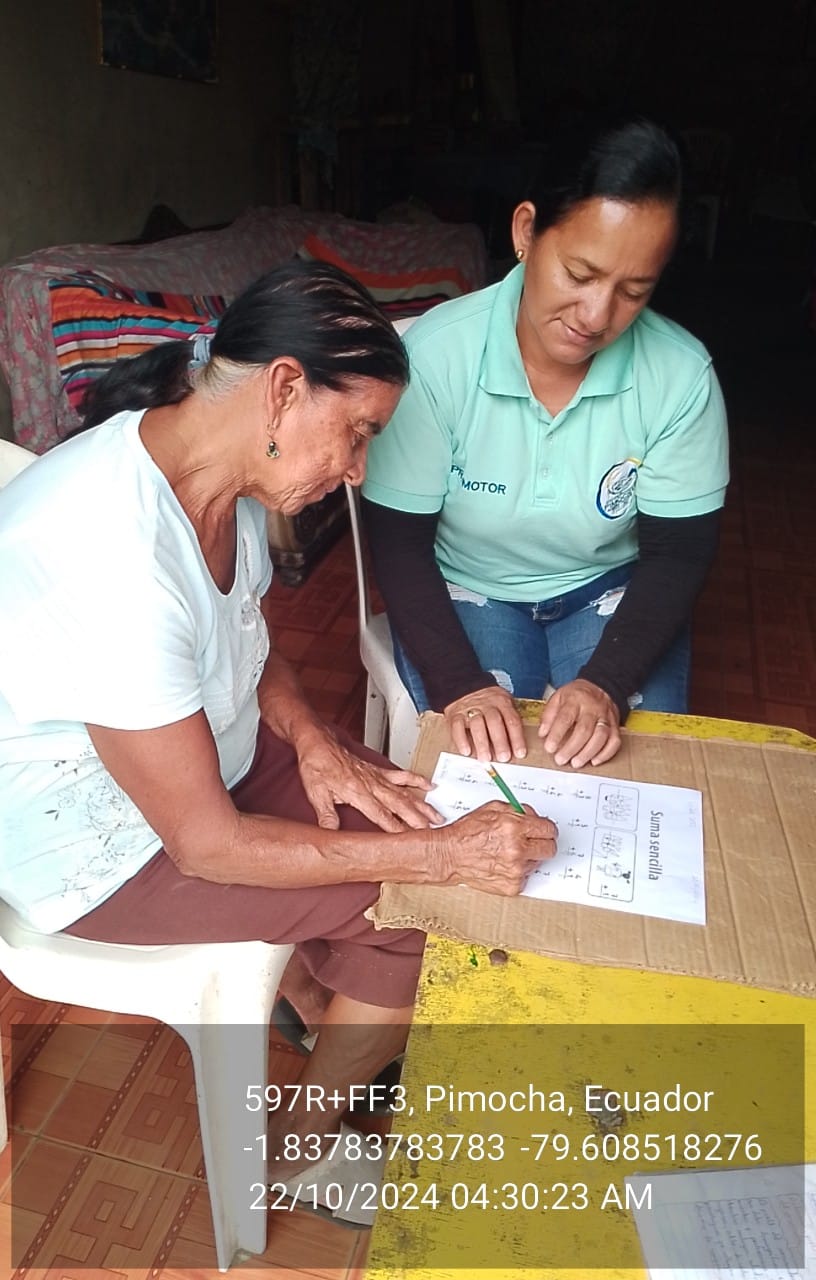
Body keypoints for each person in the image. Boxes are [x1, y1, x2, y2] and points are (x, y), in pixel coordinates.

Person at [0, 260, 558, 1224]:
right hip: (100, 844)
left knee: (416, 810)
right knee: (423, 900)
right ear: (285, 388)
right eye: (359, 433)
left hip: (196, 757)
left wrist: (311, 739)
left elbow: (246, 642)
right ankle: (297, 1146)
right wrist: (440, 858)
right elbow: (206, 845)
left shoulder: (219, 480)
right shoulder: (114, 552)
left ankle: (328, 1005)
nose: (359, 469)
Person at [362, 115, 729, 772]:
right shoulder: (438, 357)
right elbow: (398, 543)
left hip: (607, 589)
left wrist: (606, 682)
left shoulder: (680, 377)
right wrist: (460, 685)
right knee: (489, 770)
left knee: (627, 771)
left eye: (633, 291)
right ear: (526, 231)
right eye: (580, 274)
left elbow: (678, 556)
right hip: (468, 586)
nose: (596, 316)